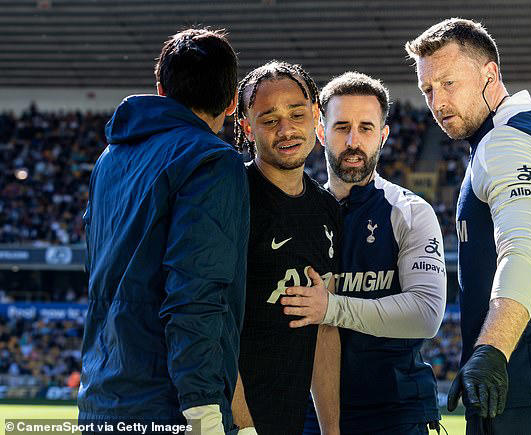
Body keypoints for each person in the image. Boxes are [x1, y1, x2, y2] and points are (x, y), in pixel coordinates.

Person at [405, 18, 531, 434]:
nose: (437, 102)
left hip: (527, 392)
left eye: (448, 83)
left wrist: (491, 351)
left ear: (490, 74)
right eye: (427, 89)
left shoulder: (507, 142)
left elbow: (521, 251)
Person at [78, 29, 249, 434]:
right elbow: (195, 293)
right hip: (170, 407)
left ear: (161, 91)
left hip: (101, 399)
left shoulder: (108, 160)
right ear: (231, 102)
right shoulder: (212, 160)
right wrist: (205, 411)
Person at [282, 72, 446, 435]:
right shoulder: (295, 215)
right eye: (341, 127)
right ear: (321, 132)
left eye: (366, 128)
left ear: (383, 136)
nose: (353, 141)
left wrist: (331, 308)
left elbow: (426, 314)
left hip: (397, 414)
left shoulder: (410, 212)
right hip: (310, 417)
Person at [231, 61, 342, 435]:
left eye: (297, 114)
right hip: (230, 423)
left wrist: (332, 430)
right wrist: (244, 427)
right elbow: (213, 325)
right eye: (269, 119)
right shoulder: (231, 198)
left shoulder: (327, 209)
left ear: (315, 115)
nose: (286, 130)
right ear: (247, 127)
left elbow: (324, 329)